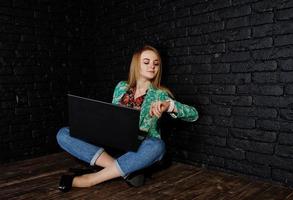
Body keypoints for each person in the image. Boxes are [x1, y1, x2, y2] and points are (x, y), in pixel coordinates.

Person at [56, 45, 199, 192]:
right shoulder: (121, 87)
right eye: (146, 62)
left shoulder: (161, 94)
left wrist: (169, 106)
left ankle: (91, 179)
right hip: (112, 141)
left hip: (140, 146)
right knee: (63, 133)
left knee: (158, 146)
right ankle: (126, 171)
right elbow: (112, 117)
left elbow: (193, 114)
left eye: (156, 64)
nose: (152, 66)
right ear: (136, 64)